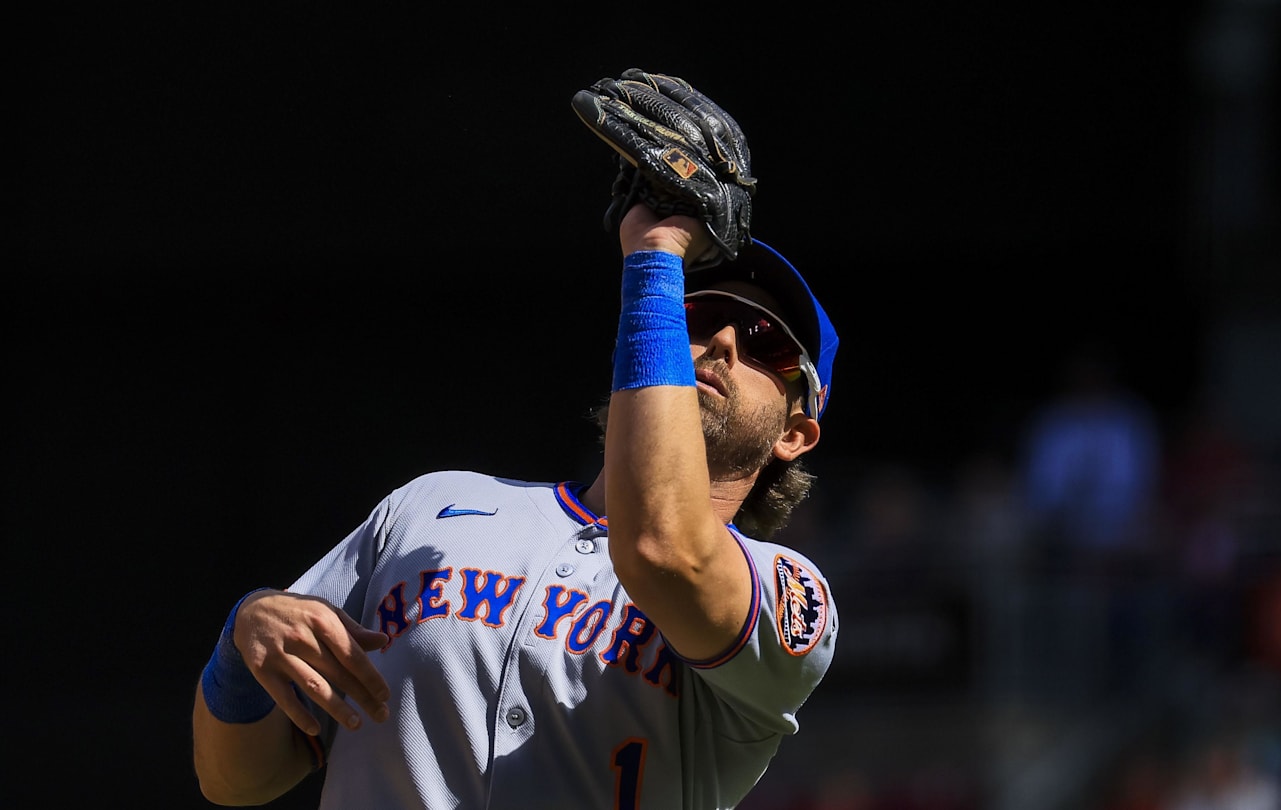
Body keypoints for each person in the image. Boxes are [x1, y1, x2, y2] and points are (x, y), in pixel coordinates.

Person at [190, 194, 841, 809]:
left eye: (766, 342)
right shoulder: (430, 507)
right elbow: (235, 782)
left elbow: (663, 549)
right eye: (695, 316)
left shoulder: (786, 596)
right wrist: (240, 646)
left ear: (794, 432)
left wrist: (655, 256)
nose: (724, 342)